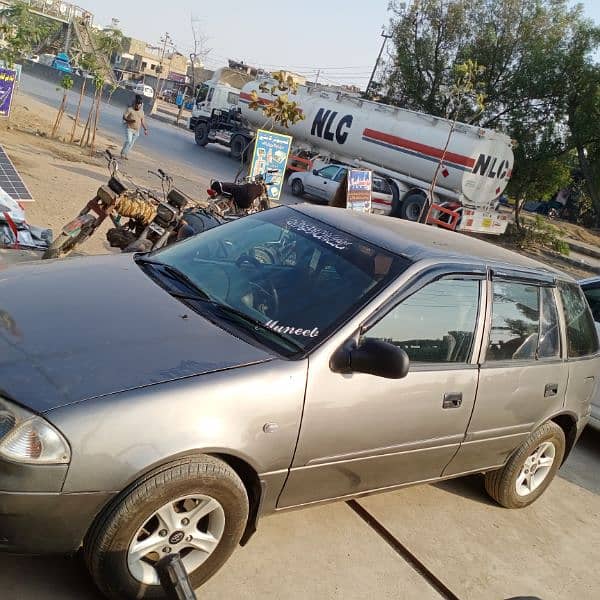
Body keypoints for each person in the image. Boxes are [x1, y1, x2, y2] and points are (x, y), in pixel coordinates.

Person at [121, 95, 148, 159]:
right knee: (129, 141)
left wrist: (145, 129)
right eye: (137, 104)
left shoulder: (142, 112)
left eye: (139, 104)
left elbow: (143, 121)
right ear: (134, 104)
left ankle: (125, 154)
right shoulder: (130, 109)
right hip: (129, 128)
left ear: (141, 105)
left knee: (131, 144)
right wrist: (129, 120)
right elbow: (124, 117)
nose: (138, 106)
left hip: (136, 131)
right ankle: (122, 153)